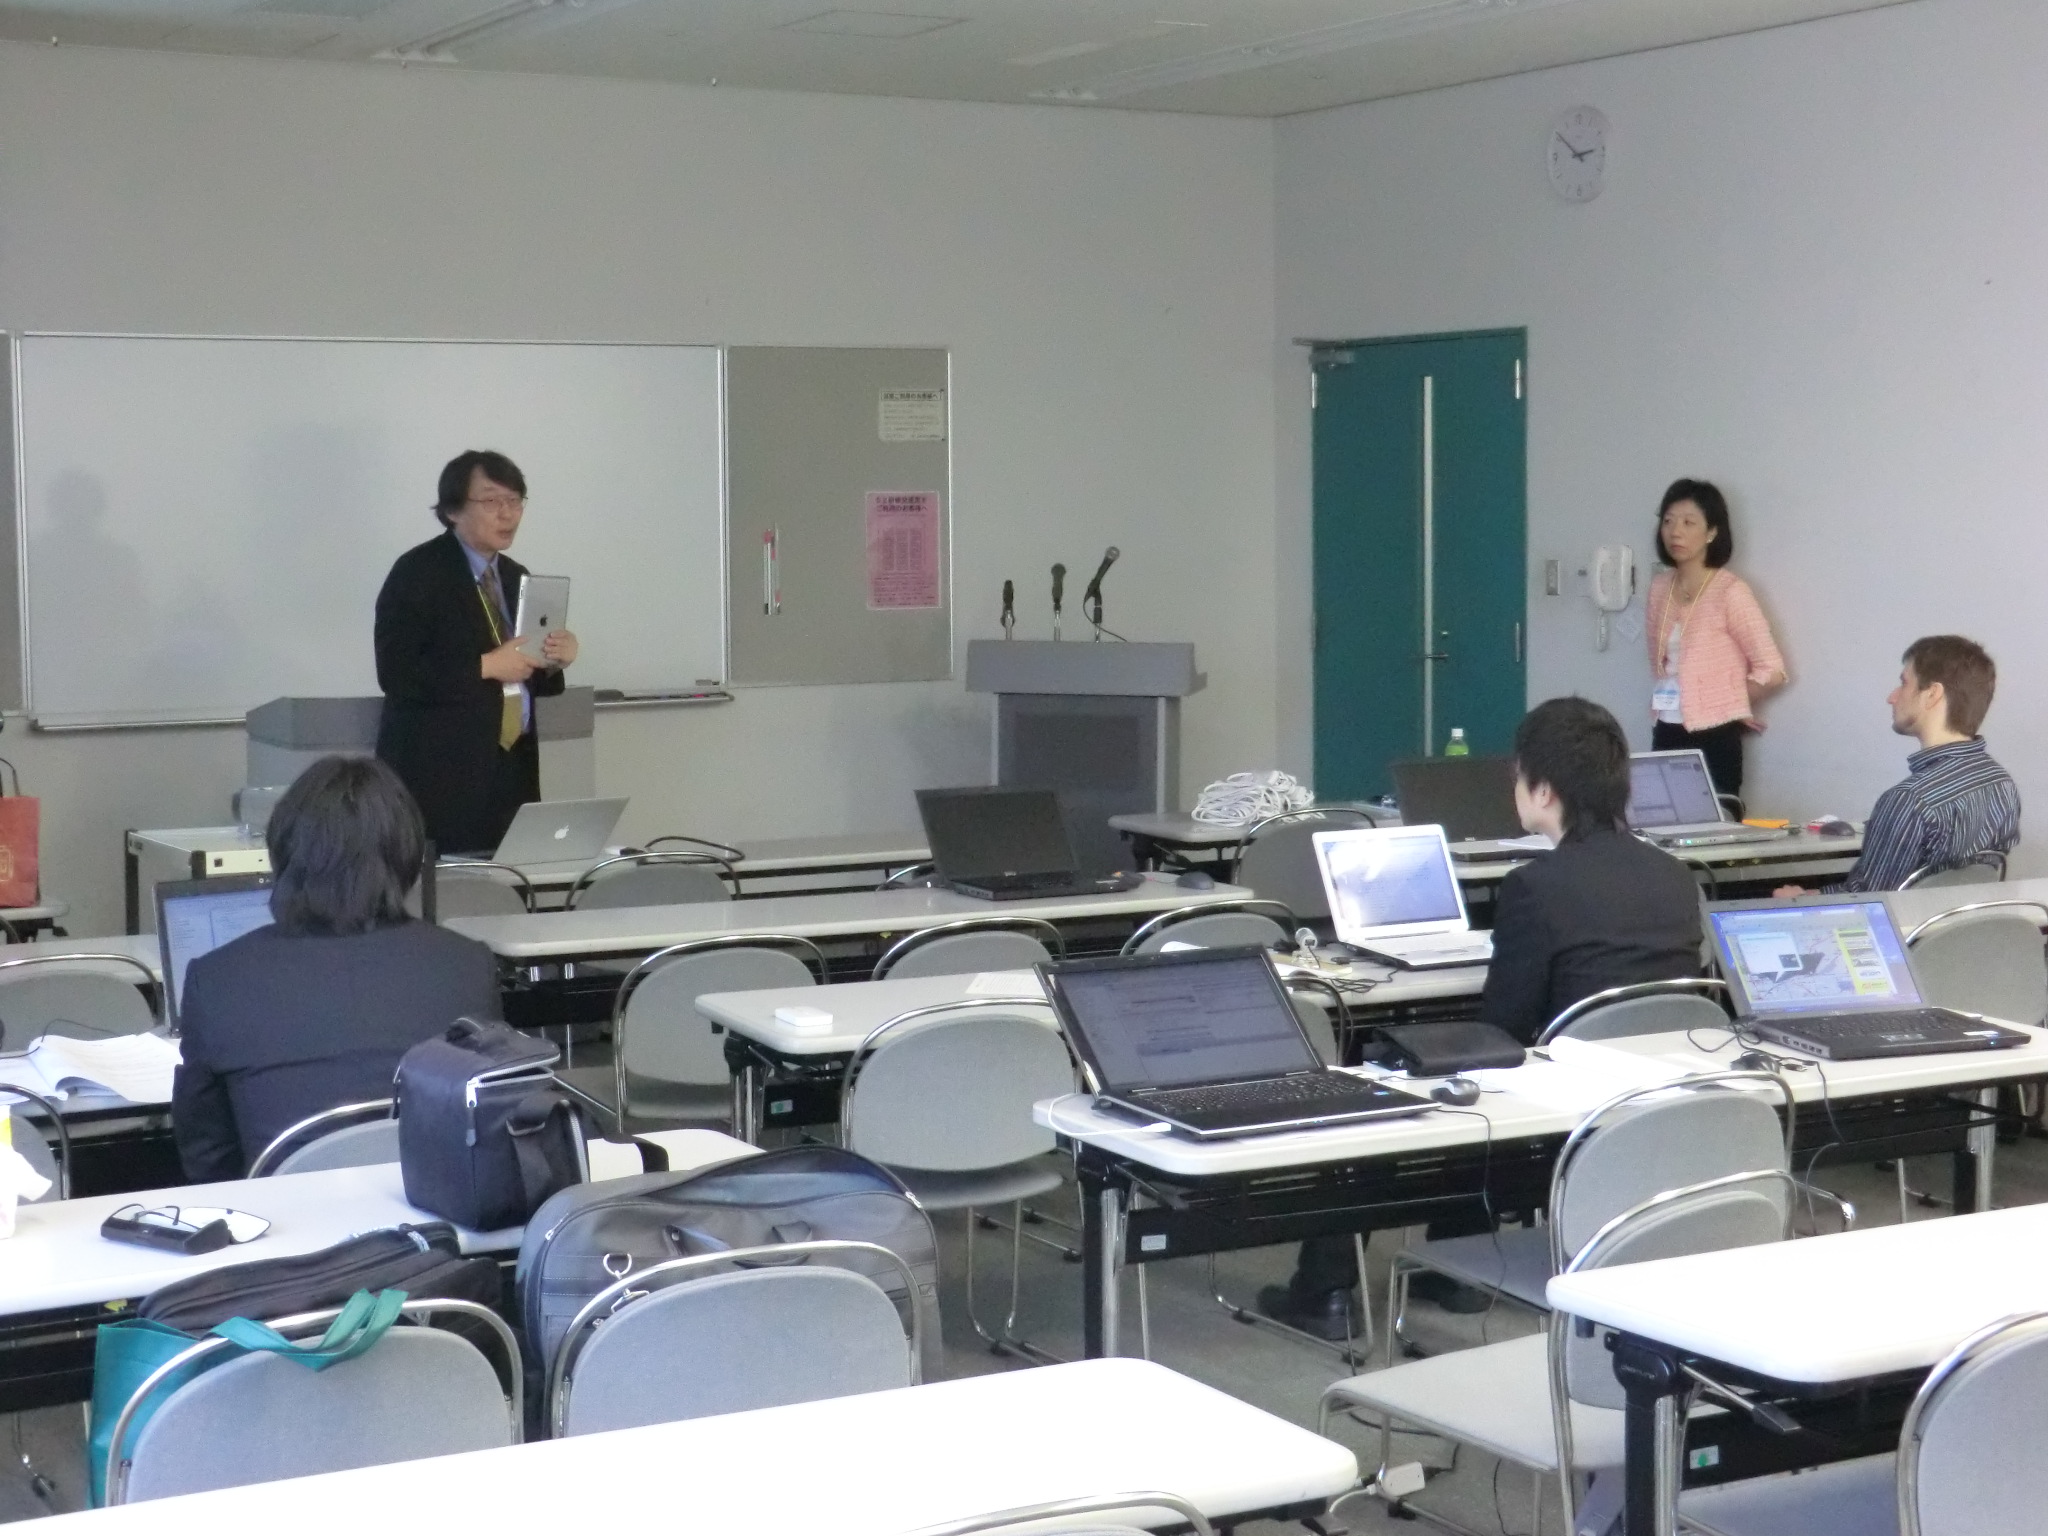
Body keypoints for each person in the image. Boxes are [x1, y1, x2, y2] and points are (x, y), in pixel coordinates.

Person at [1259, 697, 1703, 1339]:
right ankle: (1454, 1269)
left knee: (1376, 1080)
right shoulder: (1674, 876)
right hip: (1655, 1104)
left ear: (1543, 790)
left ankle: (1324, 1293)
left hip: (1553, 1121)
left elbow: (1504, 1026)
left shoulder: (1536, 886)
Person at [172, 756, 500, 1181]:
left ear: (283, 852)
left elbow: (206, 1160)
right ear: (408, 854)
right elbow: (490, 1122)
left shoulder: (216, 979)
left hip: (286, 1217)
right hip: (438, 1210)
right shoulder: (468, 965)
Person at [375, 450, 579, 856]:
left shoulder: (516, 576)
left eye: (515, 501)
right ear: (453, 510)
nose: (507, 514)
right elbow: (397, 673)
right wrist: (485, 665)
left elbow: (531, 677)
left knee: (515, 882)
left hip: (511, 770)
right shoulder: (417, 572)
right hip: (440, 776)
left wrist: (556, 659)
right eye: (491, 501)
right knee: (453, 886)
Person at [1775, 635, 2019, 897]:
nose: (1891, 697)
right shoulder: (2001, 783)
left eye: (1904, 683)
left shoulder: (1908, 800)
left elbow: (1869, 901)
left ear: (1932, 694)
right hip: (1959, 923)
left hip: (1904, 924)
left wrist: (1801, 898)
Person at [1645, 479, 1787, 803]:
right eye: (1668, 521)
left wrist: (1725, 700)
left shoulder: (1730, 591)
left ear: (1711, 532)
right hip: (1666, 726)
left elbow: (1772, 670)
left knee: (1716, 824)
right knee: (1663, 820)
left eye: (1688, 522)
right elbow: (1660, 664)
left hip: (1716, 734)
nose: (1675, 531)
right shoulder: (1659, 588)